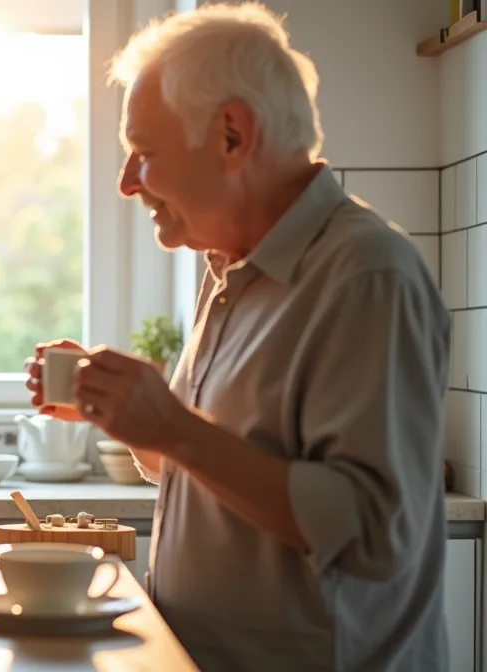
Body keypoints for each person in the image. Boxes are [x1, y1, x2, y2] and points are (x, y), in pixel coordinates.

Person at [25, 4, 449, 670]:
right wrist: (136, 423)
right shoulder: (229, 269)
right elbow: (214, 472)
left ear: (231, 136)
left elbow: (371, 532)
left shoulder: (365, 275)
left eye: (144, 152)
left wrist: (175, 427)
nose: (126, 181)